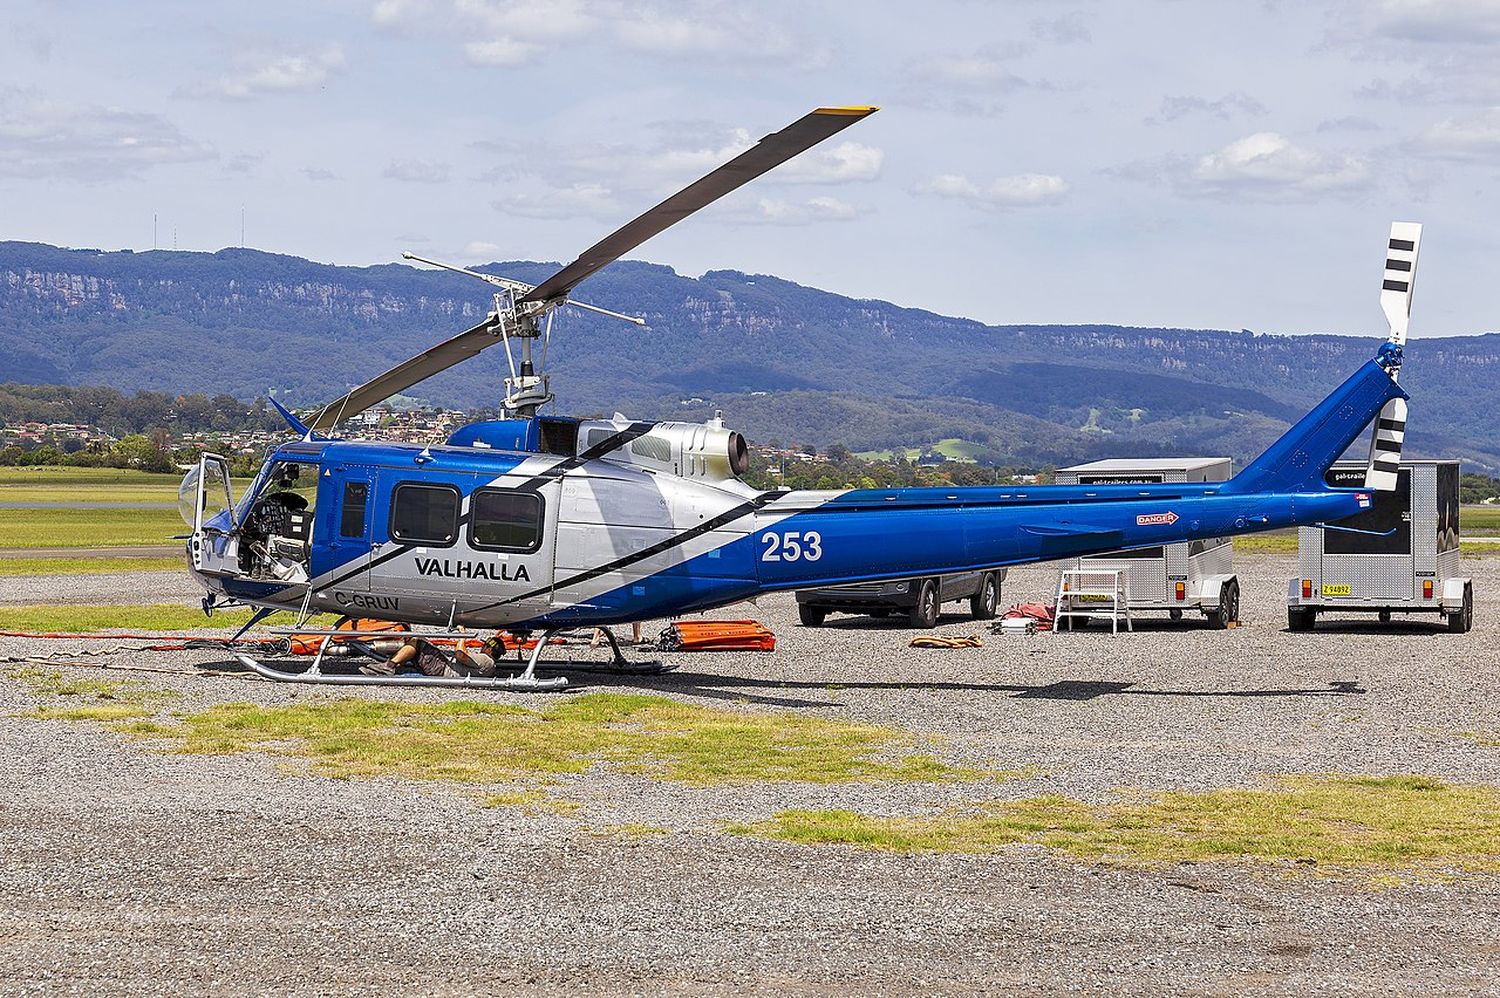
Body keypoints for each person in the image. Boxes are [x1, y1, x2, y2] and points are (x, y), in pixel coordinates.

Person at [360, 631, 499, 677]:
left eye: (485, 645)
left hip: (443, 669)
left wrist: (462, 636)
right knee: (420, 642)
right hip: (443, 668)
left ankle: (389, 666)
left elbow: (460, 655)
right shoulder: (489, 664)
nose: (482, 648)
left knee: (417, 641)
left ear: (490, 649)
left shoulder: (486, 660)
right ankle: (389, 666)